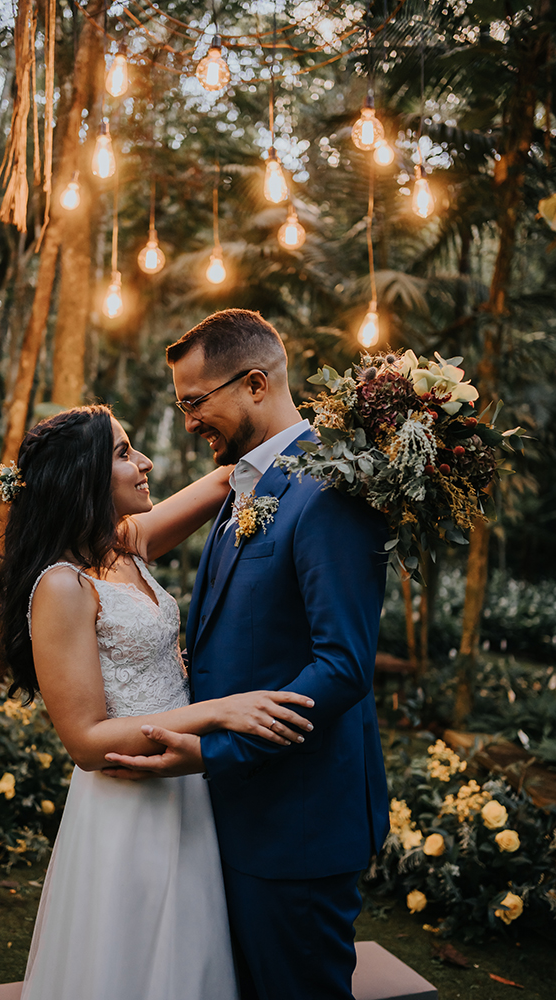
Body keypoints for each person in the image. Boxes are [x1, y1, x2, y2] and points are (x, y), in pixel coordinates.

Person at [102, 309, 390, 1000]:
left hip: (296, 822)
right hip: (237, 817)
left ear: (255, 383)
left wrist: (211, 753)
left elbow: (342, 664)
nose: (188, 422)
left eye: (195, 403)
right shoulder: (244, 486)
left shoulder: (329, 490)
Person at [0, 403, 315, 1000]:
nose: (143, 463)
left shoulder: (125, 545)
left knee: (188, 962)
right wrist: (218, 710)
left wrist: (335, 420)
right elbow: (87, 742)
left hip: (185, 788)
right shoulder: (62, 584)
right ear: (82, 476)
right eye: (122, 453)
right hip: (125, 805)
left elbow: (232, 476)